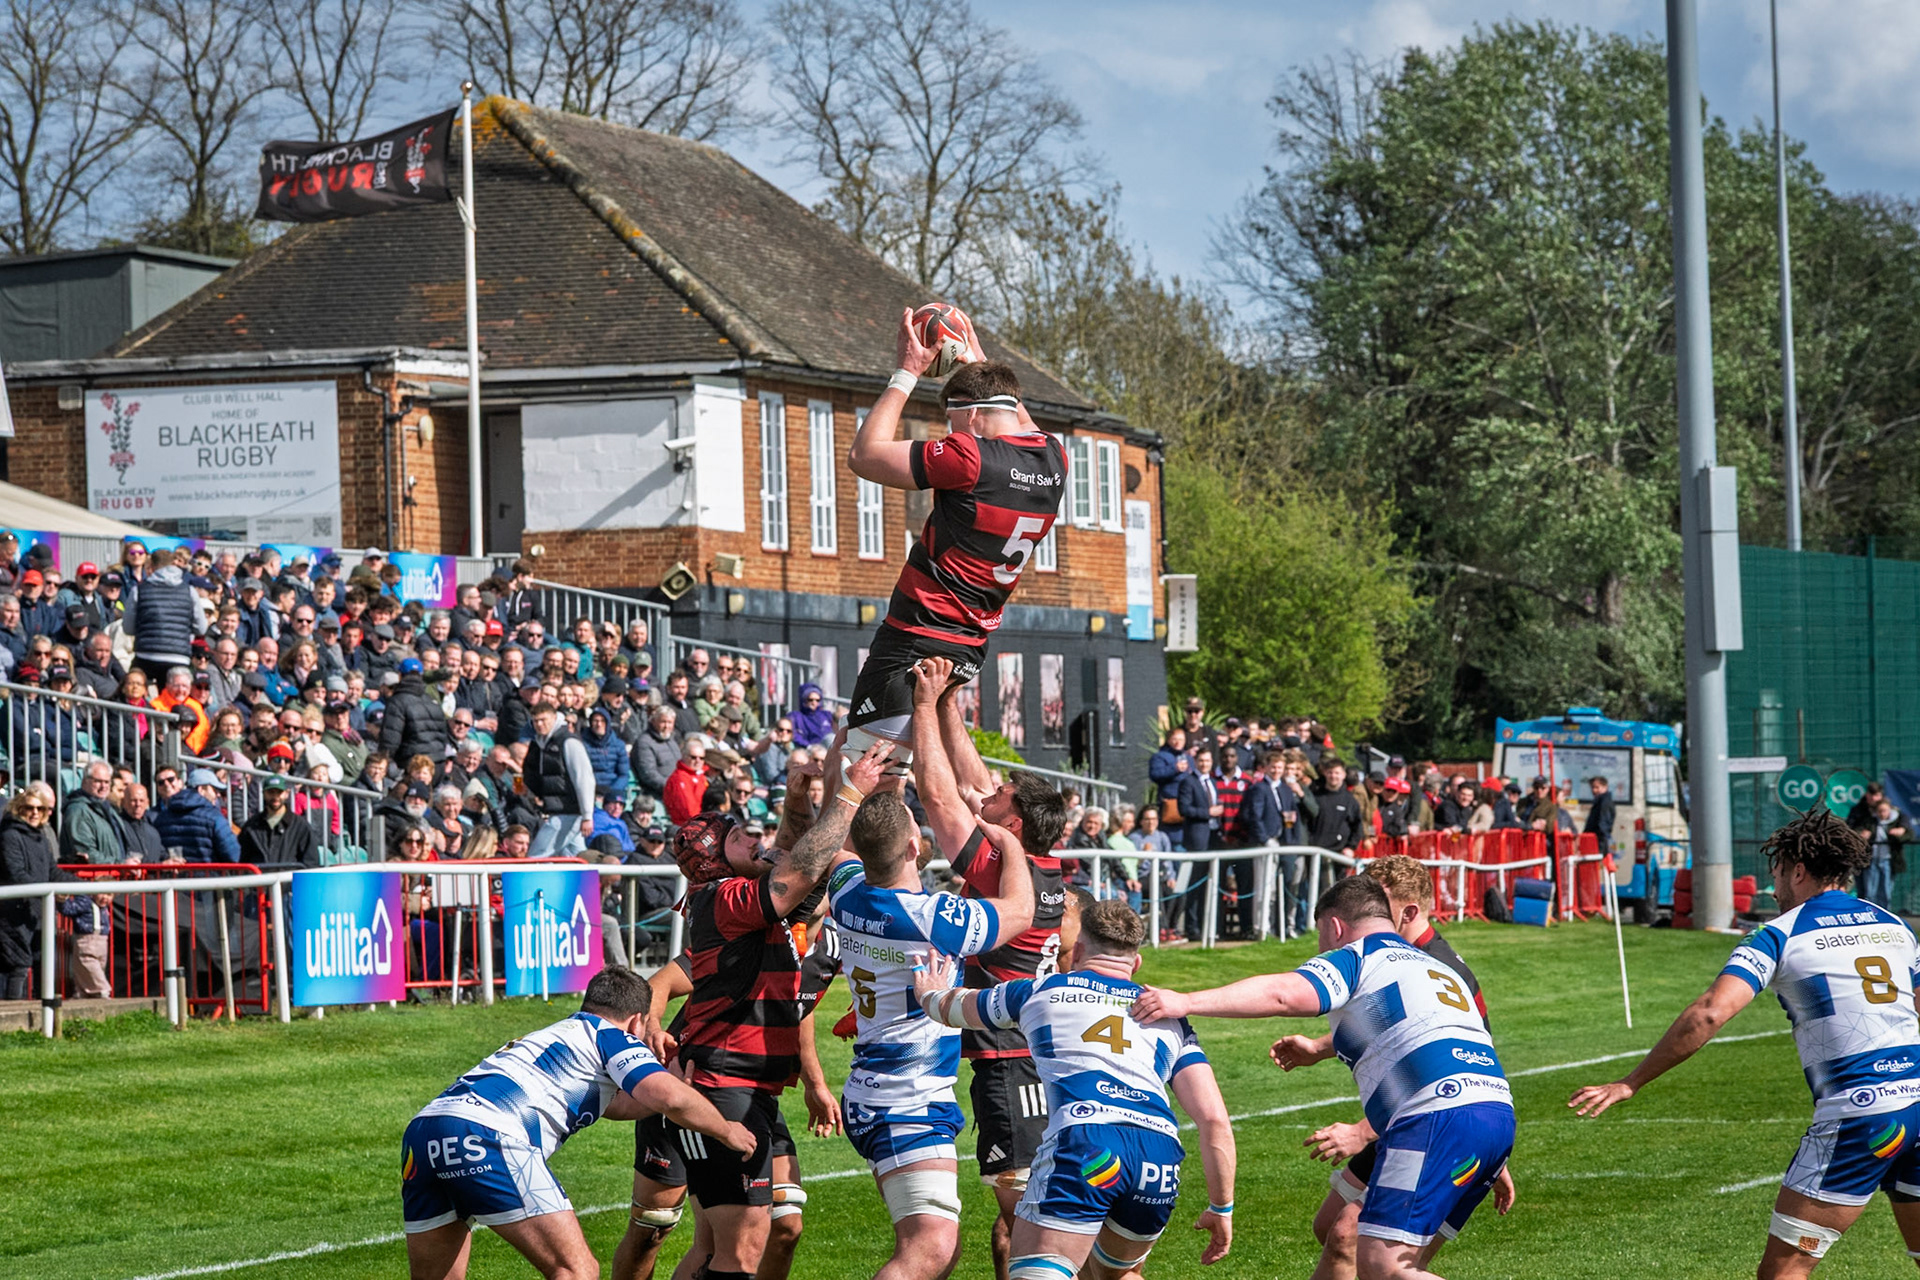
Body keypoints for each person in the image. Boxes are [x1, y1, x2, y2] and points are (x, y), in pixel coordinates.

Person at [1569, 809, 1920, 1277]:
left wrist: (1632, 1081)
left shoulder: (1779, 933)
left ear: (1797, 870)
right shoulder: (1894, 925)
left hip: (1860, 1112)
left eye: (1775, 873)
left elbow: (1711, 1011)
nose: (1772, 888)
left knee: (1783, 1272)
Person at [1134, 875, 1515, 1280]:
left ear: (1335, 927)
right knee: (1393, 1260)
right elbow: (1411, 1029)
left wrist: (1186, 1000)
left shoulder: (1361, 955)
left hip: (1436, 1115)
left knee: (1381, 1266)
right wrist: (1319, 1048)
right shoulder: (1433, 969)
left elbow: (1284, 994)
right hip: (1494, 1118)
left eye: (1320, 935)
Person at [611, 740, 892, 1280]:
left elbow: (793, 852)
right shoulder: (726, 899)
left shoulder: (752, 902)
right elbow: (803, 864)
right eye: (741, 838)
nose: (759, 841)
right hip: (716, 1083)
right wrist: (851, 789)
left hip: (751, 1086)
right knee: (702, 1240)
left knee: (758, 1236)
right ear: (717, 858)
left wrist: (797, 798)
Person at [824, 657, 1038, 1280]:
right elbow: (1019, 914)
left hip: (879, 1086)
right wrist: (1013, 843)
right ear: (916, 847)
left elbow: (844, 843)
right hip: (904, 1099)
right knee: (932, 1251)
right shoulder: (932, 916)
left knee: (937, 1253)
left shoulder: (849, 893)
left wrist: (862, 769)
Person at [913, 898, 1236, 1276]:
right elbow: (1213, 1119)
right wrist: (1221, 1207)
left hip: (1086, 1142)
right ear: (1136, 963)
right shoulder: (1170, 1017)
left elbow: (956, 1010)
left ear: (1078, 949)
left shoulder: (1041, 991)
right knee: (1117, 1275)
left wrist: (929, 994)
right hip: (1158, 1157)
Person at [401, 967, 755, 1280]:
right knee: (577, 1271)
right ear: (636, 1021)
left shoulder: (560, 1033)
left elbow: (618, 1104)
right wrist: (726, 1129)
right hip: (485, 1134)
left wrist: (673, 1081)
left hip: (424, 1133)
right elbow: (669, 1098)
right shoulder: (611, 1036)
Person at [909, 656, 1071, 1280]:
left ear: (1015, 823)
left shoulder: (999, 867)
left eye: (1001, 797)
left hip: (1010, 1058)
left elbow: (939, 795)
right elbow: (976, 788)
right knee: (1011, 1228)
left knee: (1032, 1219)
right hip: (1034, 1042)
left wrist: (923, 702)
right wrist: (951, 702)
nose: (989, 792)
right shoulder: (1042, 863)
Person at [843, 314, 1065, 769]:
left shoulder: (970, 456)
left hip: (918, 636)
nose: (952, 433)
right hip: (969, 646)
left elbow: (864, 456)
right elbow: (1015, 416)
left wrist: (906, 370)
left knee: (866, 780)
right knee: (845, 764)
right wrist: (978, 362)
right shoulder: (1054, 457)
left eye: (954, 421)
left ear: (975, 416)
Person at [1273, 856, 1492, 1280]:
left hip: (1432, 1121)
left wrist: (1360, 1132)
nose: (1367, 907)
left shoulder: (1437, 967)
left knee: (1360, 1245)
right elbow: (1386, 1026)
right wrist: (1320, 1048)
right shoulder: (1401, 957)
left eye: (1379, 899)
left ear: (1408, 912)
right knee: (1332, 1231)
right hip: (1414, 1119)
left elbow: (1451, 1070)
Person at [1, 783, 80, 999]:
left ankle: (42, 1019)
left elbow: (52, 872)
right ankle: (11, 1023)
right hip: (13, 915)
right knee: (18, 967)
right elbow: (16, 874)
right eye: (29, 808)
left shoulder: (41, 838)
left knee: (42, 964)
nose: (34, 813)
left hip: (37, 913)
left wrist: (82, 886)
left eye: (40, 809)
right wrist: (48, 892)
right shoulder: (9, 836)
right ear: (19, 808)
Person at [524, 702, 596, 858]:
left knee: (536, 857)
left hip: (567, 812)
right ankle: (592, 883)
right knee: (576, 858)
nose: (539, 724)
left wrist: (587, 815)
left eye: (544, 720)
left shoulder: (569, 742)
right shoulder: (540, 743)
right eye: (535, 721)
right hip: (558, 810)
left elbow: (584, 779)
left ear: (555, 718)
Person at [151, 768, 242, 864]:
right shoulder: (214, 817)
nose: (218, 795)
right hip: (210, 876)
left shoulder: (162, 817)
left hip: (174, 877)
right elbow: (234, 855)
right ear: (201, 790)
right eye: (214, 790)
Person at [239, 774, 321, 867]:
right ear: (264, 794)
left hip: (289, 881)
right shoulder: (251, 826)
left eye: (279, 792)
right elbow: (242, 862)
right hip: (259, 881)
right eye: (271, 792)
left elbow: (311, 863)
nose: (275, 796)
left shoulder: (301, 826)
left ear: (286, 794)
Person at [59, 760, 124, 865]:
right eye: (98, 781)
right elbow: (85, 853)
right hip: (92, 878)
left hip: (110, 877)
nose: (103, 786)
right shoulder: (78, 811)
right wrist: (119, 864)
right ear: (84, 781)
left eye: (107, 782)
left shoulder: (109, 810)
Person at [1854, 796, 1909, 910]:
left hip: (1888, 860)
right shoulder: (1871, 821)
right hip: (1872, 860)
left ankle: (1885, 914)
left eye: (1884, 810)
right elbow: (1857, 831)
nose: (1882, 813)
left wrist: (1900, 833)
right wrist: (1863, 835)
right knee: (1870, 892)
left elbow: (1909, 834)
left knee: (1885, 892)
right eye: (1879, 811)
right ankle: (1870, 914)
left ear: (1889, 810)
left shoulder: (1897, 821)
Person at [1584, 776, 1616, 855]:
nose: (1594, 790)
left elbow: (1603, 824)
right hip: (1598, 841)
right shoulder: (1600, 801)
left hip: (1599, 842)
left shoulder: (1604, 802)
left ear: (1605, 787)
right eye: (1592, 787)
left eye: (1597, 787)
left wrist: (1600, 847)